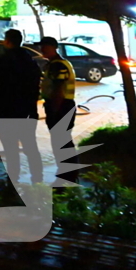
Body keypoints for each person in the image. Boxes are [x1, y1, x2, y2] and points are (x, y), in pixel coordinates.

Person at [0, 29, 43, 185]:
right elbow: (35, 88)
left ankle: (13, 178)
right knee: (30, 146)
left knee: (10, 148)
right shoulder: (30, 61)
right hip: (26, 111)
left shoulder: (2, 61)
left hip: (7, 112)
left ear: (7, 41)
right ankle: (37, 178)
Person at [38, 36, 79, 184]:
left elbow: (58, 90)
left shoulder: (58, 65)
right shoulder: (56, 64)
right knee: (62, 141)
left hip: (61, 107)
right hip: (63, 106)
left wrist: (54, 111)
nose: (42, 49)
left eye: (46, 46)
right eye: (42, 46)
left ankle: (67, 175)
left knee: (61, 142)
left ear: (54, 47)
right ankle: (68, 174)